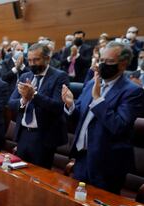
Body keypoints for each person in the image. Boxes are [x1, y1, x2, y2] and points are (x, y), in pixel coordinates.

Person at [61, 41, 144, 194]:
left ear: (123, 64)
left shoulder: (133, 92)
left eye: (109, 62)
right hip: (82, 158)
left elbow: (119, 126)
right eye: (101, 60)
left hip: (107, 164)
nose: (103, 65)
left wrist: (98, 99)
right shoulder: (92, 82)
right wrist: (70, 105)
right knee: (76, 205)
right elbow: (80, 115)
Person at [8, 43, 69, 169]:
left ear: (47, 58)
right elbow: (11, 102)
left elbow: (58, 107)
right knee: (19, 173)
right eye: (29, 60)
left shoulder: (59, 76)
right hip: (23, 133)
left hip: (44, 137)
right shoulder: (25, 76)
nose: (32, 64)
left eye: (36, 60)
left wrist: (34, 95)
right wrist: (23, 100)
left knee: (38, 177)